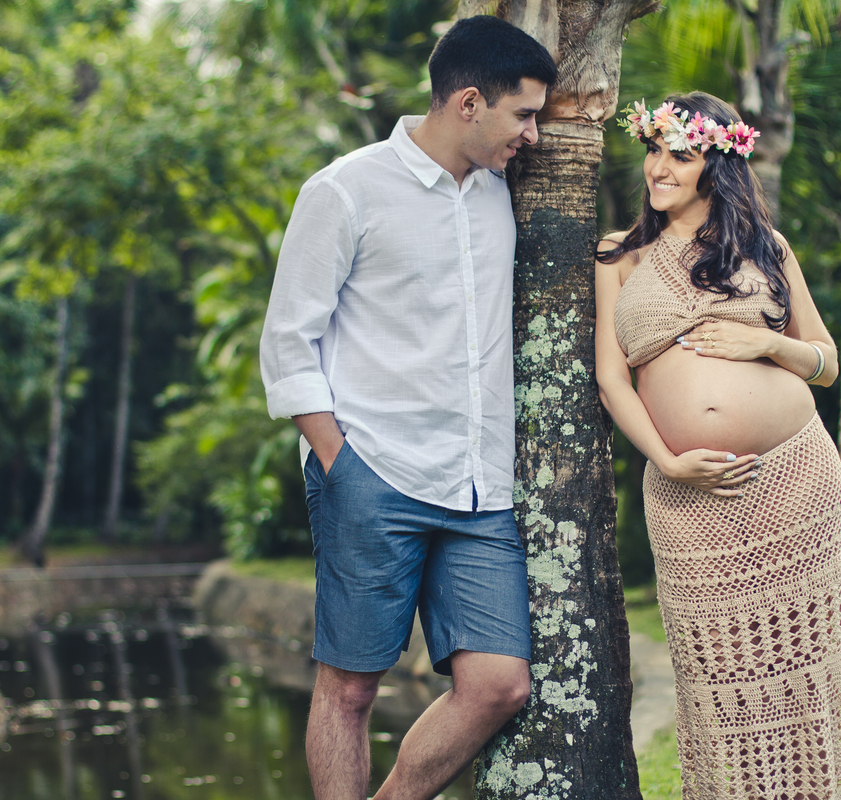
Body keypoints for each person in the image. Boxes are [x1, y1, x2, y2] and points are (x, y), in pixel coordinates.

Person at [259, 15, 558, 800]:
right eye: (524, 114)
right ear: (468, 102)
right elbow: (288, 344)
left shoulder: (505, 195)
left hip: (479, 488)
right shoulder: (345, 190)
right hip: (372, 473)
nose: (534, 134)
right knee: (350, 690)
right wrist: (340, 462)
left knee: (499, 684)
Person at [594, 92, 841, 800]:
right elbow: (611, 380)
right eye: (654, 150)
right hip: (686, 494)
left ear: (715, 167)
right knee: (715, 673)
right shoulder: (617, 256)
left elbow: (826, 360)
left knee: (808, 662)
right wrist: (666, 461)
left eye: (679, 155)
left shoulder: (766, 247)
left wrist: (766, 342)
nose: (658, 168)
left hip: (795, 479)